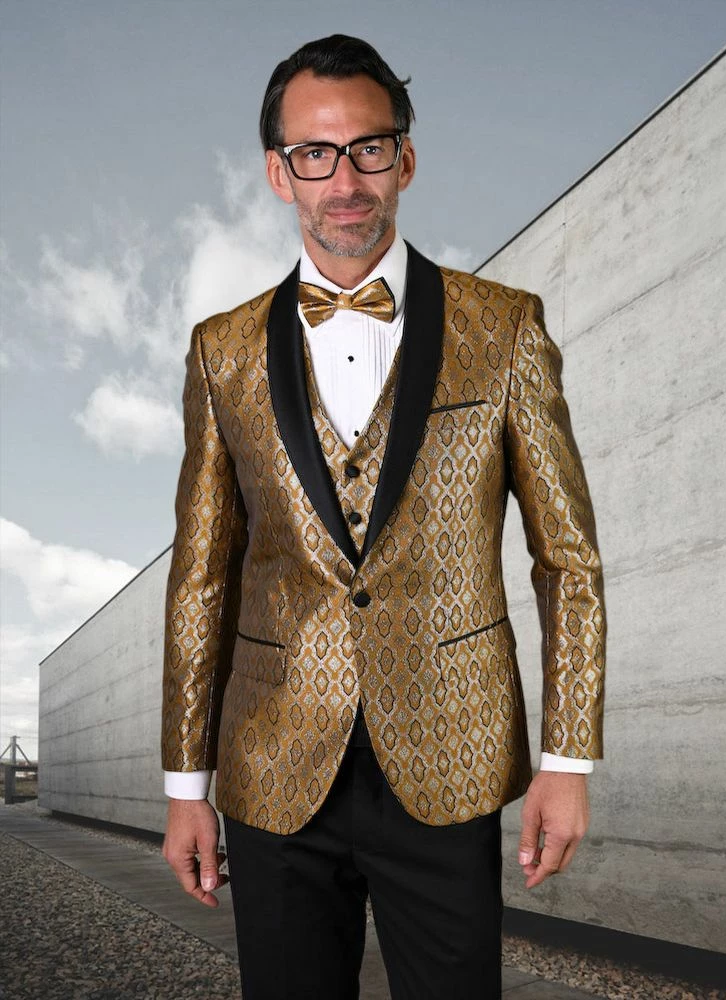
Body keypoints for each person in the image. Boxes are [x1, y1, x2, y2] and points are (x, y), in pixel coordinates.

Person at [161, 33, 606, 1000]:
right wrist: (185, 786)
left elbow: (567, 559)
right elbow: (200, 576)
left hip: (450, 751)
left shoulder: (505, 327)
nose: (344, 179)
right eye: (314, 153)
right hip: (272, 761)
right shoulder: (219, 351)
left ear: (404, 158)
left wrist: (567, 759)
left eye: (367, 147)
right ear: (278, 172)